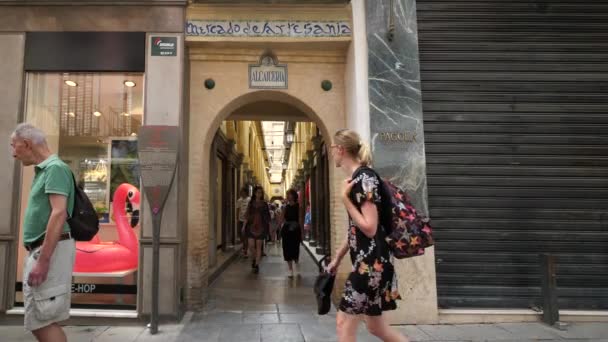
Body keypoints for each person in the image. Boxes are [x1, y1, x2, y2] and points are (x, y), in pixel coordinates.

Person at [326, 129, 409, 342]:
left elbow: (369, 227)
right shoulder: (358, 178)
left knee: (343, 324)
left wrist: (345, 200)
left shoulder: (364, 178)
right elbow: (356, 228)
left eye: (333, 147)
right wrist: (338, 257)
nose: (331, 152)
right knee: (377, 328)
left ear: (341, 149)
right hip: (372, 264)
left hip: (370, 266)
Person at [10, 123, 76, 342]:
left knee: (43, 320)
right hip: (42, 251)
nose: (13, 153)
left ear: (27, 144)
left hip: (48, 252)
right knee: (41, 318)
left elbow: (59, 214)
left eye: (14, 146)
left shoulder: (55, 168)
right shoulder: (46, 170)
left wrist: (43, 261)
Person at [242, 186, 270, 274]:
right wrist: (243, 226)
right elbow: (247, 215)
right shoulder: (251, 203)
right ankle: (254, 258)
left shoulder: (265, 204)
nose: (259, 194)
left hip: (261, 227)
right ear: (255, 193)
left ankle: (257, 264)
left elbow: (267, 217)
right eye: (258, 192)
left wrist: (267, 227)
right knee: (251, 245)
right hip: (251, 226)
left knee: (258, 246)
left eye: (261, 193)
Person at [280, 189, 302, 278]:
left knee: (295, 248)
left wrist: (301, 232)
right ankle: (290, 270)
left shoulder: (298, 206)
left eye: (289, 194)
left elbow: (300, 218)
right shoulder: (285, 207)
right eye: (287, 194)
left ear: (294, 195)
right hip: (286, 230)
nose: (288, 196)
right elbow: (282, 218)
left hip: (296, 229)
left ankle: (296, 266)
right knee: (287, 249)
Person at [236, 187, 250, 257]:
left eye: (242, 192)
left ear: (245, 192)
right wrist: (237, 219)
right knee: (240, 234)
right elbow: (238, 210)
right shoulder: (239, 200)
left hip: (247, 221)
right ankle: (244, 246)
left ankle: (245, 251)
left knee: (246, 235)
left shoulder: (249, 200)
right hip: (241, 220)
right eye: (241, 192)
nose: (241, 193)